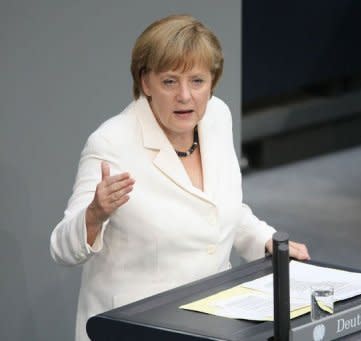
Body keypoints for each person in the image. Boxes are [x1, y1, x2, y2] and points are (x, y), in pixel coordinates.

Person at [50, 14, 310, 341]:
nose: (185, 96)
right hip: (138, 327)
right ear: (146, 82)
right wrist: (93, 215)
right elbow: (61, 248)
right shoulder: (111, 143)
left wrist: (265, 241)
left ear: (212, 81)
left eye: (197, 81)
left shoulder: (217, 116)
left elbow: (219, 208)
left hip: (214, 317)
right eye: (170, 81)